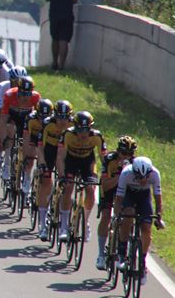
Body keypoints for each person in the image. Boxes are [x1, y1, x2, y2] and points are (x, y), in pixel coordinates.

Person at [113, 157, 165, 285]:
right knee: (128, 216)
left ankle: (142, 261)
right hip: (129, 194)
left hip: (144, 196)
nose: (143, 180)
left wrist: (159, 216)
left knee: (147, 228)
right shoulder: (126, 173)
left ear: (149, 173)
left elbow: (158, 198)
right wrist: (117, 215)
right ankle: (122, 251)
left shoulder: (155, 174)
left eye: (145, 177)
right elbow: (119, 198)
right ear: (134, 172)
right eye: (139, 177)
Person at [56, 111, 105, 242]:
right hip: (71, 161)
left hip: (87, 162)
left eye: (86, 130)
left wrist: (107, 176)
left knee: (90, 190)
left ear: (91, 128)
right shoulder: (68, 134)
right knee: (69, 187)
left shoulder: (97, 136)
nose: (83, 134)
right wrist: (61, 176)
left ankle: (85, 221)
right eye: (79, 130)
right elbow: (60, 157)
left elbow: (103, 157)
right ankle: (64, 225)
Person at [96, 135, 138, 270]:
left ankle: (123, 248)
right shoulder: (110, 159)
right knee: (106, 215)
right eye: (123, 153)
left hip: (125, 191)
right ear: (118, 151)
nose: (126, 157)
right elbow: (106, 184)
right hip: (109, 189)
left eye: (129, 154)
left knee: (128, 217)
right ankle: (101, 254)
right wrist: (122, 176)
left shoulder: (136, 163)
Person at [36, 100, 74, 240]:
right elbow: (40, 147)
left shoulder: (74, 125)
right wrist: (42, 164)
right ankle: (42, 224)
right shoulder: (47, 123)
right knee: (46, 181)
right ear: (54, 115)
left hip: (66, 153)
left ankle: (64, 226)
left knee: (69, 186)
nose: (62, 121)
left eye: (65, 117)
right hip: (49, 151)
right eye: (59, 117)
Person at [45, 0, 78, 70]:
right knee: (64, 40)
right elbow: (75, 0)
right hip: (67, 14)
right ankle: (62, 65)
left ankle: (54, 62)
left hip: (54, 14)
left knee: (55, 38)